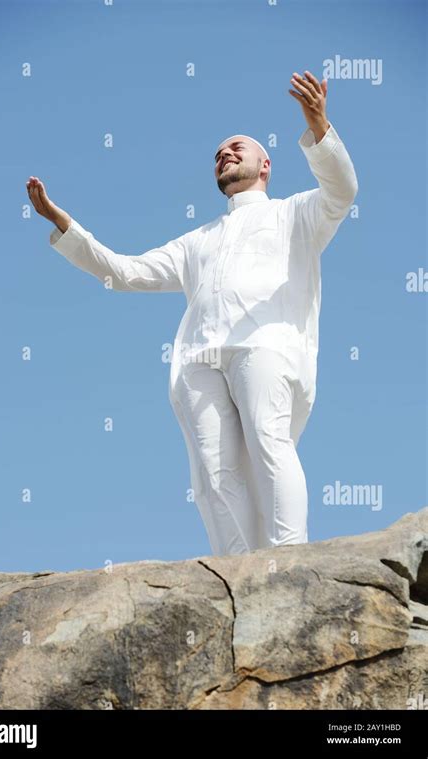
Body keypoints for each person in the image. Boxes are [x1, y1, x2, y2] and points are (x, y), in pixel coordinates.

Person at [26, 70, 358, 557]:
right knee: (211, 476)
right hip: (198, 361)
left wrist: (320, 129)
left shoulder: (295, 214)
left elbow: (342, 190)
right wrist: (64, 225)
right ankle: (242, 575)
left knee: (269, 444)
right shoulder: (196, 240)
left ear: (265, 164)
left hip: (265, 346)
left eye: (236, 148)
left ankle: (290, 562)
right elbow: (124, 272)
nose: (225, 154)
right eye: (218, 153)